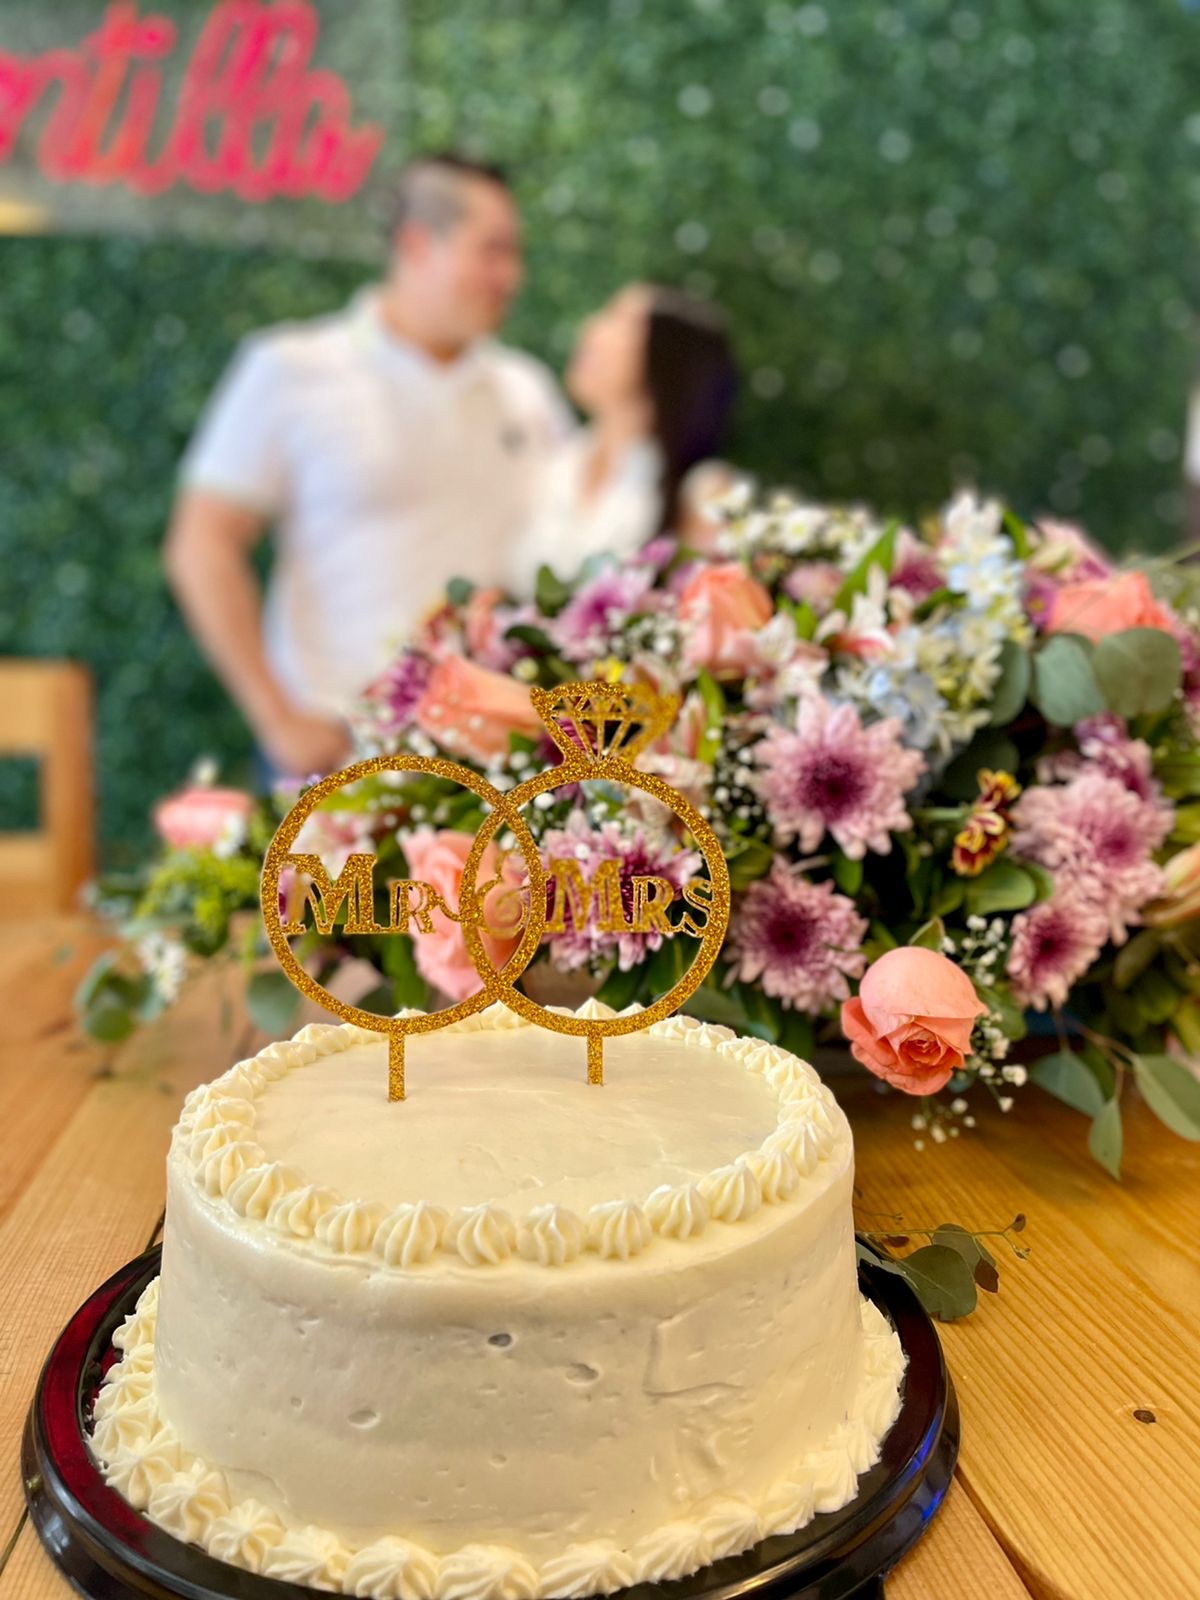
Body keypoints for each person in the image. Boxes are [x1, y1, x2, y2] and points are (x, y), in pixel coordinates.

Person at [164, 153, 573, 780]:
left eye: (514, 255)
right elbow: (202, 545)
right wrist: (277, 720)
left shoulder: (526, 390)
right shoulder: (292, 368)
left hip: (496, 765)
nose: (510, 277)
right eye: (492, 252)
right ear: (416, 245)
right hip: (336, 757)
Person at [509, 282, 738, 592]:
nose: (591, 329)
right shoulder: (555, 466)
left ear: (670, 356)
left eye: (621, 321)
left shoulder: (702, 495)